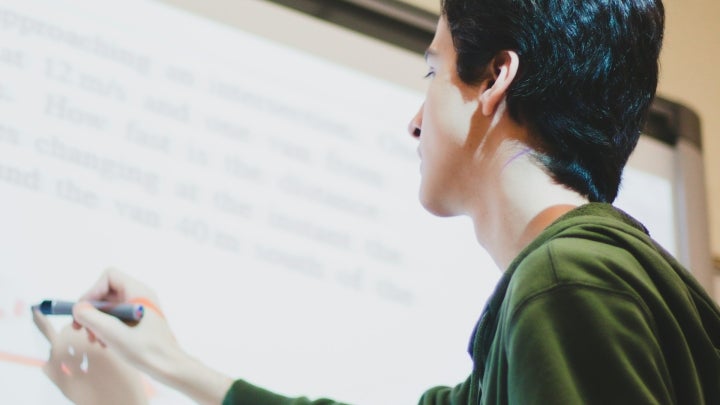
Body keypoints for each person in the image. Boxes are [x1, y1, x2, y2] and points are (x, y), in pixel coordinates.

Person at [33, 0, 720, 403]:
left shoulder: (565, 283)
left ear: (494, 81)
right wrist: (170, 362)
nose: (414, 120)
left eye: (431, 70)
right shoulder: (593, 282)